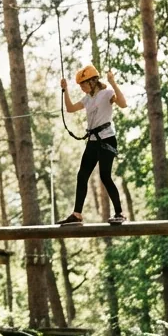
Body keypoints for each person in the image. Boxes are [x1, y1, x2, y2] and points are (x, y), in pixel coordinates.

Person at [58, 65, 127, 225]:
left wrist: (113, 82)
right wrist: (65, 90)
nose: (82, 88)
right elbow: (69, 109)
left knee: (105, 175)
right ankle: (77, 214)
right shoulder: (87, 99)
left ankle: (119, 213)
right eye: (80, 85)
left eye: (83, 84)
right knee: (82, 175)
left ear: (93, 81)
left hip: (107, 139)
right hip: (93, 141)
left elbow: (123, 104)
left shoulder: (107, 93)